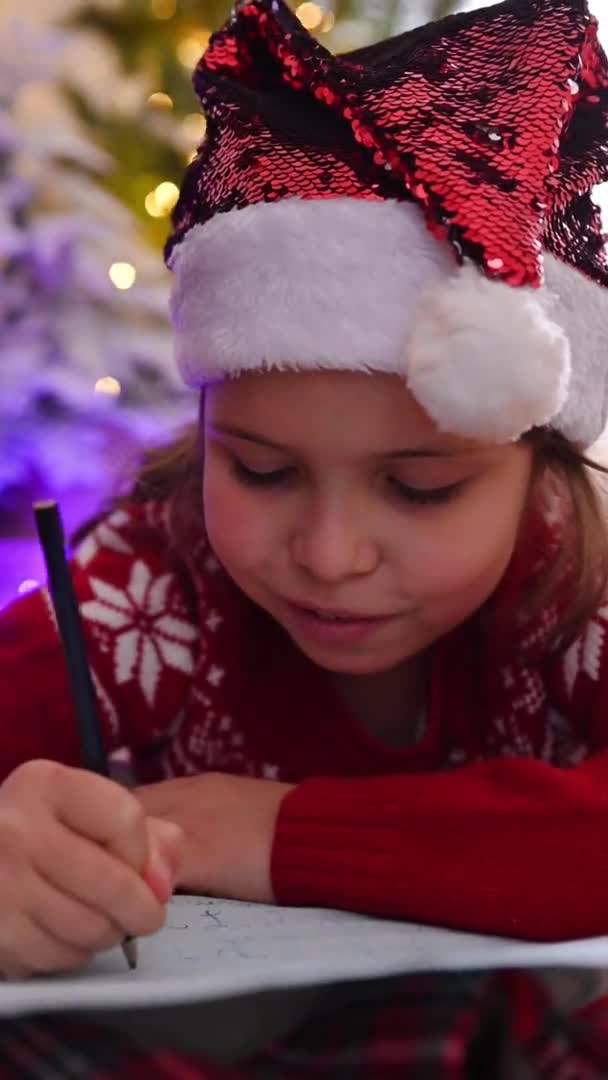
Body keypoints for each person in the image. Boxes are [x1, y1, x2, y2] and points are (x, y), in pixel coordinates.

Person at [1, 0, 608, 1032]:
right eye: (263, 472)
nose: (329, 557)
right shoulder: (142, 586)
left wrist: (270, 832)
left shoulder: (570, 581)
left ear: (536, 472)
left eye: (421, 488)